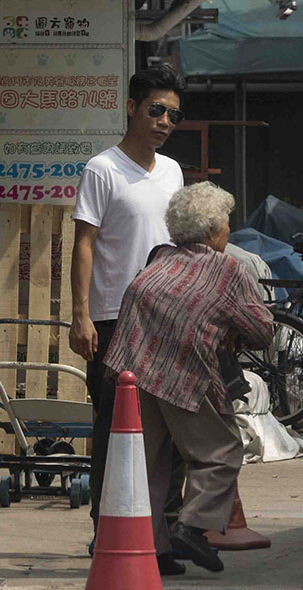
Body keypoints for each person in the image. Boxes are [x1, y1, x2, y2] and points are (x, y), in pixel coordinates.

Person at [104, 182, 274, 573]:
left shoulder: (161, 258)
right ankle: (192, 527)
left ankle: (152, 552)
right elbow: (263, 332)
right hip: (182, 375)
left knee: (148, 468)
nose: (229, 231)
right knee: (223, 452)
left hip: (132, 374)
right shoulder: (226, 268)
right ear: (214, 230)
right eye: (227, 224)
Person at [68, 64, 187, 552]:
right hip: (115, 316)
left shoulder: (174, 171)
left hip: (169, 318)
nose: (163, 122)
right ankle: (109, 535)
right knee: (116, 427)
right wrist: (80, 314)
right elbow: (83, 243)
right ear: (133, 108)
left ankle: (162, 536)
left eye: (174, 116)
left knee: (173, 430)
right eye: (156, 110)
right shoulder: (103, 168)